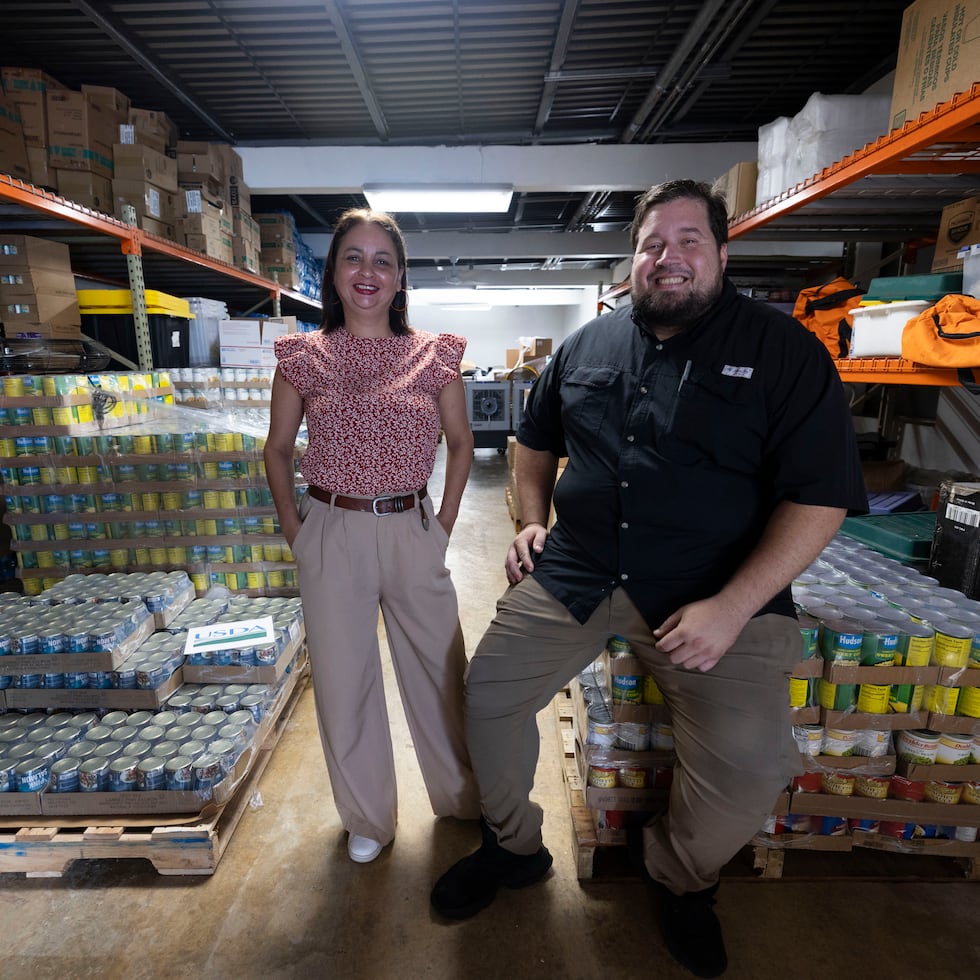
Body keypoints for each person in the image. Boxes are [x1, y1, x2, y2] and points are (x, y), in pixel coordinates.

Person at [430, 180, 867, 977]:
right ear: (632, 258)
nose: (669, 258)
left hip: (717, 586)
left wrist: (732, 608)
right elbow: (535, 440)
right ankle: (514, 849)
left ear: (722, 254)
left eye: (689, 241)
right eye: (652, 244)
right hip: (580, 568)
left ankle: (679, 876)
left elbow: (821, 498)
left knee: (750, 766)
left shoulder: (784, 353)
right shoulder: (587, 347)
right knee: (489, 696)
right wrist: (530, 519)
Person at [264, 207, 480, 865]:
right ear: (334, 272)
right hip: (331, 531)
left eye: (382, 260)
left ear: (400, 276)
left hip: (412, 528)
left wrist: (442, 525)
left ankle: (462, 795)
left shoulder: (435, 356)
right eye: (353, 257)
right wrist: (299, 533)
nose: (368, 271)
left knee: (440, 669)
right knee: (343, 679)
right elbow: (276, 450)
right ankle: (368, 816)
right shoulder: (303, 358)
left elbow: (461, 442)